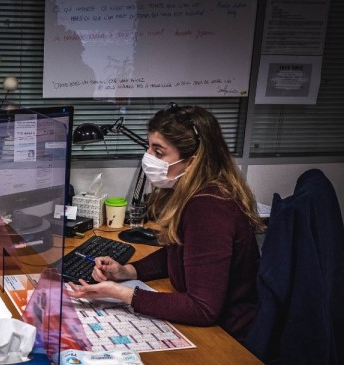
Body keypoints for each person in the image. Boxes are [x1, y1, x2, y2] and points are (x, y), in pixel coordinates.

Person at [66, 104, 263, 343]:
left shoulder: (209, 206)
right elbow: (179, 252)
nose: (148, 158)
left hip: (228, 337)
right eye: (148, 147)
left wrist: (122, 294)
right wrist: (127, 271)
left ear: (193, 160)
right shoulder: (193, 191)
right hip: (215, 326)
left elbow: (203, 308)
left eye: (159, 152)